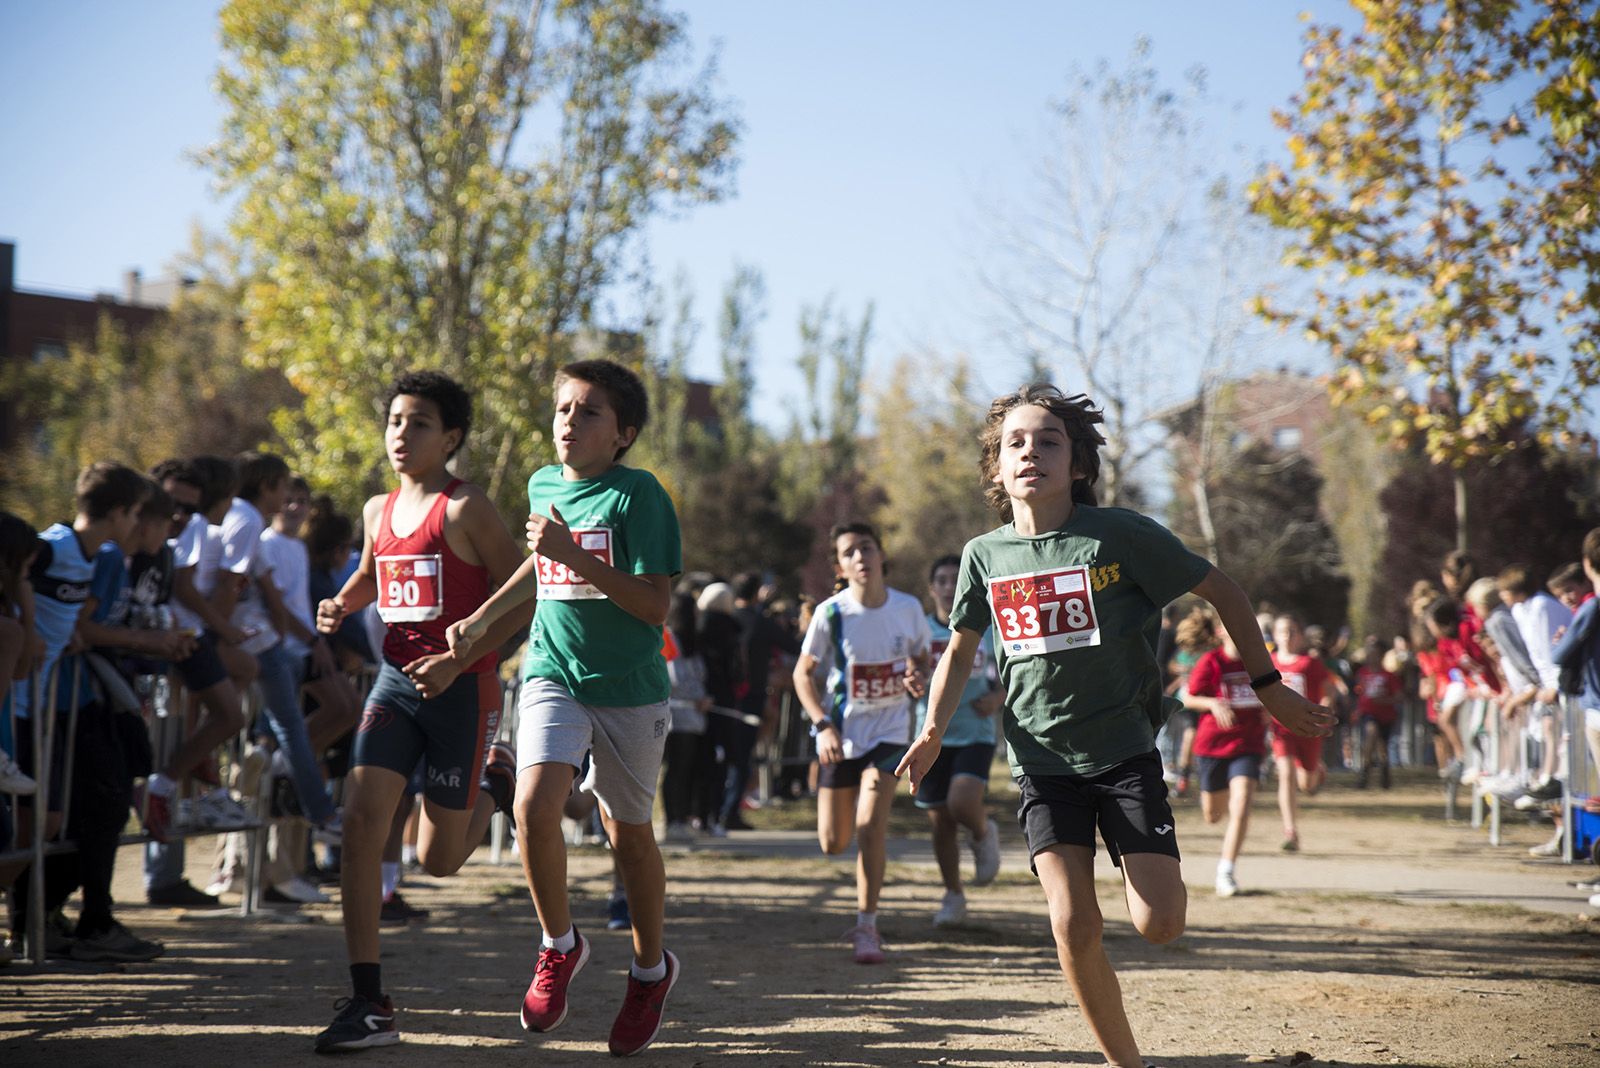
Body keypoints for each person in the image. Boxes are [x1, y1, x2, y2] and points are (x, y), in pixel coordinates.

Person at [898, 384, 1332, 1068]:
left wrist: (1269, 685)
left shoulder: (1119, 535)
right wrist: (930, 731)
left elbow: (1223, 590)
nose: (1030, 453)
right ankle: (1125, 1063)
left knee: (1160, 924)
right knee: (1072, 923)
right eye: (1015, 443)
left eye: (1048, 441)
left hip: (1125, 755)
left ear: (1077, 465)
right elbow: (959, 651)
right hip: (1042, 765)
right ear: (995, 468)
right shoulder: (984, 555)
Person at [446, 359, 682, 1058]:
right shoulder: (543, 484)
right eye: (562, 410)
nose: (569, 423)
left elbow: (653, 607)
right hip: (553, 671)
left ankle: (649, 971)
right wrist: (484, 617)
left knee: (628, 836)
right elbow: (539, 570)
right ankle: (559, 944)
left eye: (589, 412)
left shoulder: (640, 497)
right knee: (530, 807)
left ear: (623, 433)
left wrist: (573, 555)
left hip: (631, 688)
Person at [312, 371, 528, 1053]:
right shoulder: (378, 509)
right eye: (396, 420)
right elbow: (378, 570)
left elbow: (525, 591)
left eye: (420, 423)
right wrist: (343, 602)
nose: (401, 434)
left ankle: (496, 784)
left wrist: (460, 661)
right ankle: (369, 999)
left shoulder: (468, 510)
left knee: (438, 860)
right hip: (395, 686)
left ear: (452, 437)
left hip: (464, 690)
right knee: (361, 825)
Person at [9, 462, 168, 962]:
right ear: (118, 512)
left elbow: (73, 621)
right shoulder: (51, 546)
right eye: (134, 515)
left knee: (52, 821)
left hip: (47, 703)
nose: (136, 527)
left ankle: (38, 922)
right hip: (17, 704)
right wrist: (28, 634)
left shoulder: (90, 557)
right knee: (27, 824)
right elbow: (13, 580)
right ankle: (26, 925)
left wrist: (63, 635)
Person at [792, 522, 930, 964]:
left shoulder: (908, 608)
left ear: (881, 554)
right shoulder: (831, 614)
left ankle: (867, 925)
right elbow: (802, 675)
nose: (860, 557)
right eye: (850, 552)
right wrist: (822, 726)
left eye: (866, 548)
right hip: (841, 734)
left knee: (872, 827)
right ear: (840, 565)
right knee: (833, 842)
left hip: (890, 733)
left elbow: (923, 660)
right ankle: (863, 910)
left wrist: (917, 676)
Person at [917, 554, 1002, 928]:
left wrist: (998, 698)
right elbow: (906, 671)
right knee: (941, 824)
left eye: (957, 579)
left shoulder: (987, 627)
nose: (950, 586)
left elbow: (1010, 671)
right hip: (932, 735)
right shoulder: (919, 630)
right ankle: (953, 894)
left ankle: (984, 832)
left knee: (962, 802)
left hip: (975, 732)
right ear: (932, 588)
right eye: (943, 580)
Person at [1182, 614, 1268, 898]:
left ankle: (1226, 870)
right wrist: (1212, 703)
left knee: (1241, 803)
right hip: (1212, 746)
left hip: (1248, 744)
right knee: (1213, 815)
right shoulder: (1212, 662)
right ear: (1221, 632)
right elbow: (1188, 698)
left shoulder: (1258, 662)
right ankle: (1213, 815)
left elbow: (1274, 692)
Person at [1270, 614, 1344, 852]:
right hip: (1280, 729)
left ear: (1300, 636)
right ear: (1274, 635)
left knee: (1307, 784)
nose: (1287, 636)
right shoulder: (1268, 662)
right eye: (1282, 631)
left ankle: (1316, 770)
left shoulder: (1309, 663)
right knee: (1286, 772)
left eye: (1292, 631)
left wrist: (1322, 714)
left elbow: (1329, 690)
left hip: (1308, 727)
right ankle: (1290, 830)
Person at [1353, 639, 1401, 790]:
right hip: (1368, 713)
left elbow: (1399, 696)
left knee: (1382, 747)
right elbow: (1358, 692)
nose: (1371, 657)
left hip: (1386, 715)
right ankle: (1364, 772)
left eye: (1375, 654)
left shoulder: (1389, 676)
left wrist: (1384, 700)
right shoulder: (1362, 673)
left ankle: (1385, 774)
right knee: (1371, 733)